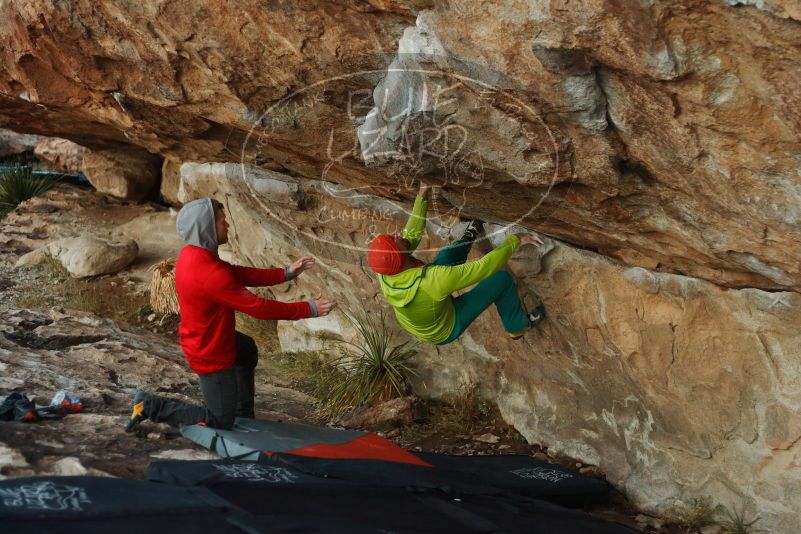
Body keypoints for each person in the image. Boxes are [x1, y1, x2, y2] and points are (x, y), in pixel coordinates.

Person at [125, 198, 336, 432]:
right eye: (222, 221)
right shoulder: (210, 274)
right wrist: (309, 309)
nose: (228, 225)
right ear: (206, 228)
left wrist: (285, 273)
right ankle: (151, 405)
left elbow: (235, 273)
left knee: (245, 350)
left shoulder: (192, 254)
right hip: (210, 353)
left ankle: (243, 415)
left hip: (208, 337)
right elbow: (258, 308)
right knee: (219, 420)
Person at [367, 183, 545, 345]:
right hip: (444, 328)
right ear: (399, 256)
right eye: (394, 239)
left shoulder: (385, 269)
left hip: (425, 314)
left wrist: (423, 193)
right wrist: (515, 240)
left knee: (447, 254)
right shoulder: (433, 281)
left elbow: (410, 234)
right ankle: (517, 327)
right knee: (501, 279)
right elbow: (482, 268)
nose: (397, 234)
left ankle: (470, 235)